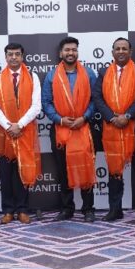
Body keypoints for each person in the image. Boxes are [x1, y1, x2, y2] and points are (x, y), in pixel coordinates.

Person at [93, 38, 135, 222]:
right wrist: (112, 117)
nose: (121, 52)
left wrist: (128, 115)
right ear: (112, 52)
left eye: (124, 48)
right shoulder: (103, 72)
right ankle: (115, 209)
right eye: (117, 49)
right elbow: (97, 96)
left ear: (130, 52)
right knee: (114, 171)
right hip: (112, 129)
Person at [42, 37, 98, 222]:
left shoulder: (89, 73)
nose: (70, 53)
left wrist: (84, 117)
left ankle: (88, 209)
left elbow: (95, 100)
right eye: (67, 50)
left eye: (74, 49)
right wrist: (60, 119)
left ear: (77, 52)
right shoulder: (52, 75)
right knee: (63, 170)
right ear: (61, 53)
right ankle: (67, 208)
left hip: (83, 128)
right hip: (61, 130)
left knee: (85, 167)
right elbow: (46, 102)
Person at [0, 43, 42, 224]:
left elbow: (36, 106)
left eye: (17, 54)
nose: (13, 57)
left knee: (22, 171)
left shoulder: (32, 76)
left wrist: (20, 125)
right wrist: (8, 126)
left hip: (24, 132)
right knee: (6, 173)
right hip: (4, 134)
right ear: (5, 57)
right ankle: (8, 210)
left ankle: (23, 209)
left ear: (22, 56)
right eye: (10, 54)